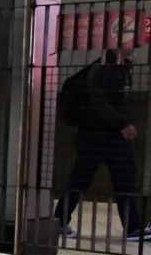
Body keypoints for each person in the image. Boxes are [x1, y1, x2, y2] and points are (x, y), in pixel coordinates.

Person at [54, 48, 151, 242]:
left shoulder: (122, 69)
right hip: (94, 135)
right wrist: (122, 123)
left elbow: (117, 102)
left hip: (114, 135)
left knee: (125, 178)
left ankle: (133, 227)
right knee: (80, 179)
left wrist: (124, 124)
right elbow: (98, 101)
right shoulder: (101, 69)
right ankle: (59, 221)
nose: (136, 45)